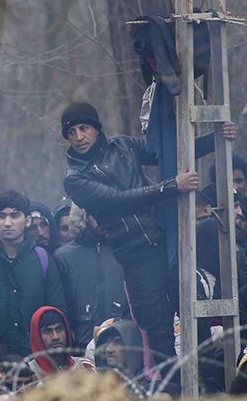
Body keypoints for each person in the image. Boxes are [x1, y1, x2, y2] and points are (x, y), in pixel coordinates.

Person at [61, 101, 236, 364]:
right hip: (135, 257)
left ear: (96, 129)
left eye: (83, 128)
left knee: (193, 312)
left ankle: (207, 384)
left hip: (166, 240)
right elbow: (119, 199)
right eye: (71, 132)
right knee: (158, 330)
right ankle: (172, 393)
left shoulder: (122, 144)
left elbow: (167, 152)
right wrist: (172, 187)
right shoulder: (74, 178)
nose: (78, 136)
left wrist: (216, 138)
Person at [0, 191, 67, 356]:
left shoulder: (42, 259)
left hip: (34, 361)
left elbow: (58, 312)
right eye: (2, 216)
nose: (7, 223)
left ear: (27, 220)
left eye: (15, 216)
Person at [52, 205, 129, 349]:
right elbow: (59, 307)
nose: (103, 219)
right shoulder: (62, 257)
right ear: (83, 216)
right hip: (78, 348)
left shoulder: (126, 251)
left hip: (121, 346)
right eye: (96, 213)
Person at [26, 306, 94, 379]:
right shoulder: (28, 374)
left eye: (59, 329)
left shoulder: (85, 367)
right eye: (47, 331)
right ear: (37, 337)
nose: (55, 337)